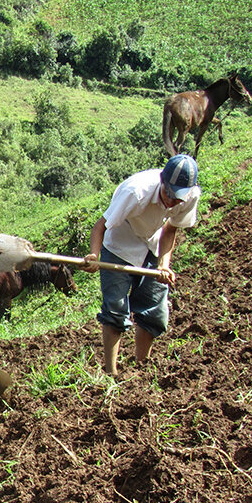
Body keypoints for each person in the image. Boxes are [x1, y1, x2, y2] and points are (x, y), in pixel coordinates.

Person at [81, 153, 201, 375]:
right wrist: (94, 256)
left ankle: (142, 369)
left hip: (153, 245)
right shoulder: (135, 192)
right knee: (115, 309)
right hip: (119, 245)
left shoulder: (190, 197)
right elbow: (100, 227)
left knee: (154, 311)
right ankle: (111, 373)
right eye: (169, 194)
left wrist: (164, 264)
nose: (172, 202)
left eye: (178, 199)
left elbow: (171, 229)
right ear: (162, 182)